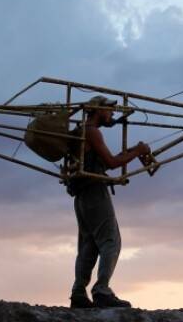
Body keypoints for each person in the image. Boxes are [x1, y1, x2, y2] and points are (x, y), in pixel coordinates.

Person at [68, 95, 151, 309]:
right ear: (97, 110)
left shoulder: (79, 131)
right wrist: (139, 152)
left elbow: (101, 161)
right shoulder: (93, 132)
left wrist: (130, 152)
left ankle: (78, 293)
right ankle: (102, 290)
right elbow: (112, 163)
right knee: (110, 241)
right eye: (109, 110)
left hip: (81, 195)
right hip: (95, 192)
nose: (112, 114)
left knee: (88, 244)